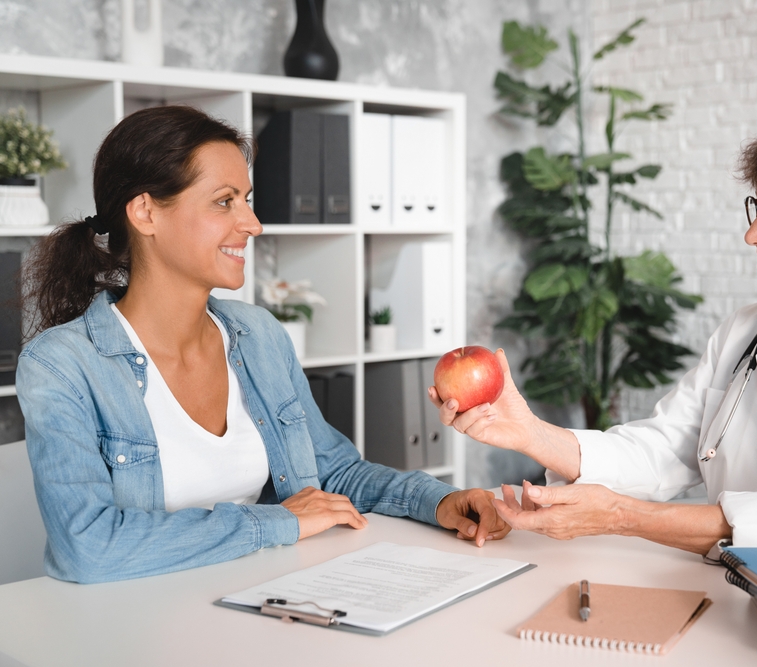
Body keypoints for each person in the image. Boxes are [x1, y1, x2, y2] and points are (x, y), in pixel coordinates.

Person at [431, 115, 757, 572]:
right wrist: (530, 433)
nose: (753, 234)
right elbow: (665, 448)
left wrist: (619, 516)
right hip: (742, 589)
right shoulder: (746, 332)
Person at [17, 105, 509, 584]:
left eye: (247, 200)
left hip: (264, 602)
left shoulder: (259, 336)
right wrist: (279, 523)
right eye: (224, 201)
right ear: (146, 212)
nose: (252, 224)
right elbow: (87, 546)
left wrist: (439, 501)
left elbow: (332, 473)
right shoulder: (62, 366)